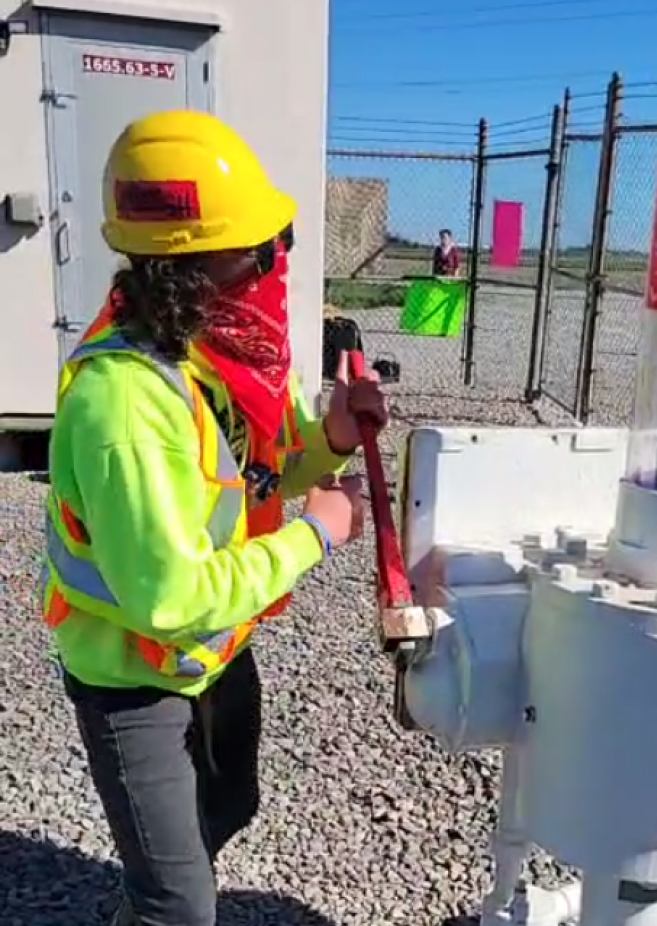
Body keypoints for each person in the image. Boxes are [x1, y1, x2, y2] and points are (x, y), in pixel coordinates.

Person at [40, 110, 389, 926]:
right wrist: (318, 532)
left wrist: (331, 437)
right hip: (136, 680)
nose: (277, 266)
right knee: (180, 905)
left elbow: (253, 472)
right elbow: (169, 598)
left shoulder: (196, 357)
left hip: (213, 657)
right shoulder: (125, 402)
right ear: (197, 270)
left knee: (229, 807)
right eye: (264, 250)